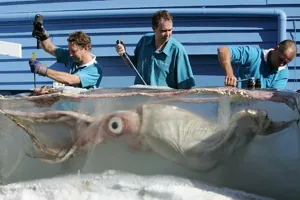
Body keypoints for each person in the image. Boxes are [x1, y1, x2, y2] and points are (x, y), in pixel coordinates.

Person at [115, 10, 195, 89]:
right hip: (140, 98)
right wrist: (124, 54)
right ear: (153, 28)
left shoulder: (177, 50)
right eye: (163, 31)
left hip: (164, 100)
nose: (168, 34)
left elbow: (186, 87)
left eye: (170, 30)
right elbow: (135, 65)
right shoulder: (144, 41)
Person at [30, 22, 102, 89]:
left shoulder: (94, 70)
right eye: (69, 50)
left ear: (85, 48)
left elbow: (70, 79)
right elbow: (50, 48)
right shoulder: (73, 57)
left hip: (83, 102)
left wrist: (42, 70)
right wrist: (42, 34)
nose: (70, 54)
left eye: (73, 51)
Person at [217, 40, 297, 89]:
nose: (281, 64)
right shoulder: (254, 55)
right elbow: (223, 50)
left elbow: (275, 96)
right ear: (276, 48)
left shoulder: (283, 71)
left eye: (286, 62)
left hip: (261, 111)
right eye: (281, 59)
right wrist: (229, 74)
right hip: (238, 106)